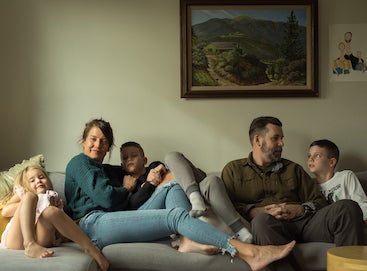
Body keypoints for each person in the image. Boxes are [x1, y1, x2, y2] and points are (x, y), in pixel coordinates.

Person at [65, 118, 296, 271]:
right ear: (83, 141)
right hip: (91, 224)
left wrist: (153, 171)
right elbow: (106, 198)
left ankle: (187, 239)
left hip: (112, 220)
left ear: (108, 148)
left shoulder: (107, 169)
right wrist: (126, 187)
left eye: (104, 141)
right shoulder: (80, 163)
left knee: (172, 186)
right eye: (93, 139)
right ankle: (247, 251)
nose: (98, 144)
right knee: (174, 216)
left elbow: (139, 170)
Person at [221, 116, 364, 269]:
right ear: (258, 140)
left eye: (281, 138)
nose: (282, 144)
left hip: (305, 224)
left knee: (347, 207)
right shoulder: (234, 170)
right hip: (269, 228)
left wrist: (300, 209)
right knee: (262, 221)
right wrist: (256, 211)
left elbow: (319, 201)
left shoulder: (293, 169)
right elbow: (227, 209)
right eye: (275, 138)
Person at [0, 165, 109, 271]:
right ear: (26, 185)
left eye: (41, 177)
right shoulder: (23, 193)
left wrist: (55, 208)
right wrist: (27, 202)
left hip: (40, 239)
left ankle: (90, 248)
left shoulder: (52, 197)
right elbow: (5, 211)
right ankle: (29, 244)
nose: (38, 181)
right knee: (30, 196)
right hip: (17, 239)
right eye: (32, 180)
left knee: (50, 212)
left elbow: (60, 234)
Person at [164, 151, 253, 243]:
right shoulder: (152, 183)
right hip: (190, 192)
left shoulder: (155, 169)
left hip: (197, 185)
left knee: (171, 156)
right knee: (212, 181)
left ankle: (195, 199)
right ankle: (240, 230)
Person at [308, 139, 367, 223]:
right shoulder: (309, 186)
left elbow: (362, 204)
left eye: (317, 155)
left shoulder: (345, 176)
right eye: (309, 156)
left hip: (348, 222)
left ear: (331, 162)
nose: (311, 159)